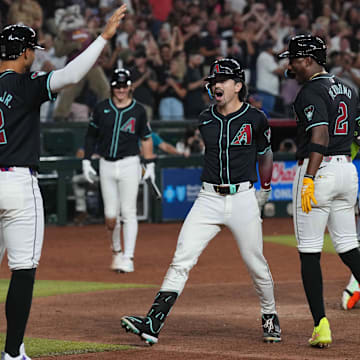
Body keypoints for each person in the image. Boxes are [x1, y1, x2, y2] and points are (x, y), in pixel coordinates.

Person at [120, 57, 281, 345]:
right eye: (213, 81)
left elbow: (266, 154)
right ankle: (153, 322)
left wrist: (265, 188)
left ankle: (269, 315)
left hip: (243, 195)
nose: (215, 85)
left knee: (255, 262)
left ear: (238, 86)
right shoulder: (205, 117)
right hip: (208, 197)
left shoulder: (256, 118)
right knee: (181, 259)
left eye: (222, 81)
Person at [0, 5, 127, 360]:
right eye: (31, 52)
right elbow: (71, 75)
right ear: (25, 53)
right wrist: (103, 37)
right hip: (19, 184)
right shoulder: (26, 85)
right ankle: (12, 353)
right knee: (22, 271)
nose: (32, 57)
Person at [279, 34, 360, 348]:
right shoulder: (349, 89)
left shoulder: (310, 90)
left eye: (294, 59)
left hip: (320, 169)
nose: (290, 65)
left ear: (308, 60)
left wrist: (310, 177)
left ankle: (321, 326)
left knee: (310, 252)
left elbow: (320, 135)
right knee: (348, 247)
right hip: (346, 171)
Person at [82, 68, 155, 274]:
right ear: (112, 88)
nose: (121, 90)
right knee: (110, 216)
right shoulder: (101, 108)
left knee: (128, 212)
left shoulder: (138, 110)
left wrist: (150, 164)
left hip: (130, 163)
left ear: (130, 87)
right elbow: (90, 136)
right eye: (117, 86)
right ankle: (116, 250)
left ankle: (128, 257)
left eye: (124, 86)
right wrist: (86, 161)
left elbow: (146, 137)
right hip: (106, 164)